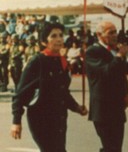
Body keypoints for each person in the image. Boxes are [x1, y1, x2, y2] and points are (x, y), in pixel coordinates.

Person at [11, 22, 88, 152]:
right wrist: (16, 121)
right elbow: (20, 94)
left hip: (59, 118)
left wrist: (76, 107)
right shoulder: (37, 61)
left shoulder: (61, 61)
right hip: (41, 119)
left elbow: (63, 92)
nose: (58, 39)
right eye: (53, 36)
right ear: (44, 41)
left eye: (60, 35)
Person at [85, 21, 128, 152]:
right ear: (99, 35)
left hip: (117, 106)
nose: (115, 35)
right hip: (103, 108)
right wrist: (120, 56)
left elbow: (122, 76)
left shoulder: (115, 50)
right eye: (111, 33)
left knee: (116, 147)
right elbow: (105, 73)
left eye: (115, 32)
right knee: (110, 147)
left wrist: (126, 93)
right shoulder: (93, 51)